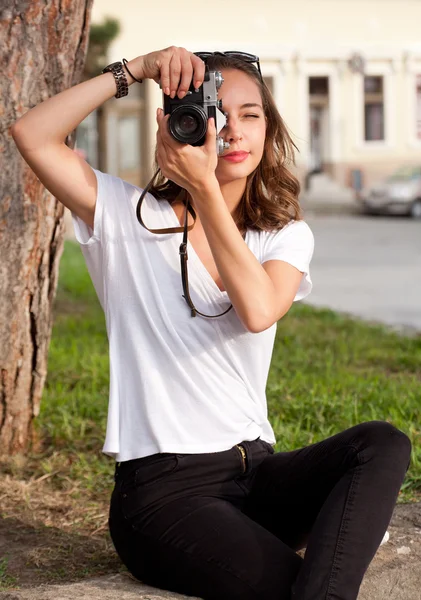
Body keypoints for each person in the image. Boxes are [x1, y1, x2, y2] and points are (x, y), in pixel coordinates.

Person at [11, 46, 412, 600]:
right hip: (163, 494)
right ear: (182, 122)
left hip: (256, 475)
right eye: (216, 113)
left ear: (269, 128)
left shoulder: (282, 235)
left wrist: (205, 191)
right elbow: (31, 134)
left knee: (383, 443)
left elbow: (258, 310)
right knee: (294, 587)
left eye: (251, 114)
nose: (233, 131)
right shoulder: (128, 218)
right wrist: (137, 70)